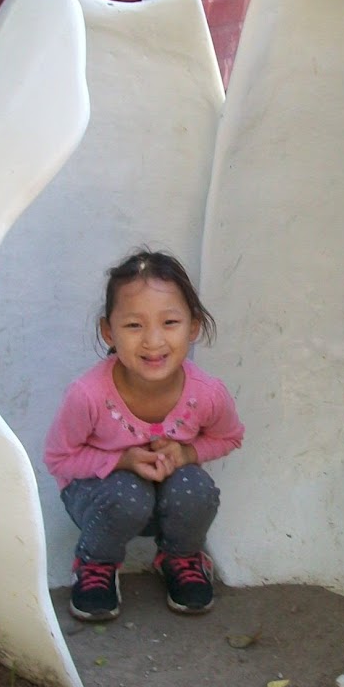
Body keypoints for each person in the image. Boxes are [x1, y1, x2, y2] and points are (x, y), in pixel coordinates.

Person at [44, 250, 245, 621]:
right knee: (127, 493)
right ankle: (96, 562)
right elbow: (58, 458)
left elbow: (229, 437)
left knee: (196, 488)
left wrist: (186, 454)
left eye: (170, 322)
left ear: (193, 326)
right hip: (100, 500)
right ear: (109, 331)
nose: (153, 340)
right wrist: (122, 460)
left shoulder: (207, 394)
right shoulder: (87, 395)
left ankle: (181, 556)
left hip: (165, 501)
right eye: (134, 325)